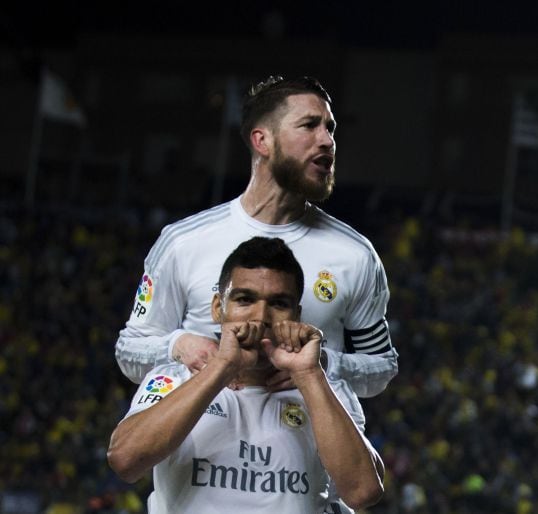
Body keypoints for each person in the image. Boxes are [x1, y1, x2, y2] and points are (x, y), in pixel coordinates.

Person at [115, 75, 397, 403]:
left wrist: (323, 364)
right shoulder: (183, 241)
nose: (327, 141)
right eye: (309, 125)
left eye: (330, 128)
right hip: (199, 450)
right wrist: (178, 346)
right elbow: (129, 350)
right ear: (262, 141)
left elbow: (381, 367)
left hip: (300, 450)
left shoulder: (356, 255)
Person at [108, 236, 385, 513]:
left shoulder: (326, 388)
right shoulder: (173, 378)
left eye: (278, 304)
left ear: (296, 315)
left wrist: (309, 375)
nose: (260, 316)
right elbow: (125, 461)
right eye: (244, 299)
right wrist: (222, 367)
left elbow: (363, 492)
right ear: (218, 308)